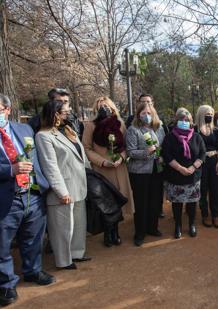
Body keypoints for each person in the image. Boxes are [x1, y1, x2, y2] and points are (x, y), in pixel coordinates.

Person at [0, 95, 55, 306]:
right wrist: (10, 170)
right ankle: (6, 285)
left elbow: (36, 158)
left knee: (33, 237)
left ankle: (33, 271)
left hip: (32, 194)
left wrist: (42, 184)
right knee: (3, 244)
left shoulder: (24, 130)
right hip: (7, 198)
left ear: (7, 109)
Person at [36, 100, 91, 269]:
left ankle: (76, 253)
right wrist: (61, 191)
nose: (68, 115)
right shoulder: (43, 136)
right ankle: (63, 260)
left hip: (78, 186)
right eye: (65, 112)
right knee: (62, 228)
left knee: (78, 225)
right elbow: (50, 166)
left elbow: (80, 155)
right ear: (55, 114)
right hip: (63, 189)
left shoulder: (66, 131)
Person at [82, 96, 133, 247]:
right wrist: (102, 161)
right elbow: (86, 148)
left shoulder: (120, 124)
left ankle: (115, 232)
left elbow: (126, 146)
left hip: (119, 168)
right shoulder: (90, 126)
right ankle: (107, 233)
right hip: (102, 170)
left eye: (108, 107)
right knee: (105, 202)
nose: (105, 110)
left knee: (117, 201)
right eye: (101, 108)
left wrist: (121, 158)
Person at [125, 103, 165, 246]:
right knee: (141, 202)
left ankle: (152, 228)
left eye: (149, 113)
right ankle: (140, 233)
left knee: (154, 200)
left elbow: (161, 146)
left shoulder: (157, 129)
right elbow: (130, 152)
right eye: (143, 113)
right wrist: (146, 152)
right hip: (140, 171)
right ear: (138, 115)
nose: (146, 115)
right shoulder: (133, 130)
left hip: (156, 169)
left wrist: (160, 155)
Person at [162, 108, 205, 238]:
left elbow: (203, 154)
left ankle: (191, 224)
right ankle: (178, 225)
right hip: (175, 175)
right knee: (177, 203)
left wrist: (193, 167)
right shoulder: (170, 137)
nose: (184, 122)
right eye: (181, 120)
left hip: (193, 176)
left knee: (192, 203)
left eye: (187, 120)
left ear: (191, 122)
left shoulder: (197, 137)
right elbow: (167, 155)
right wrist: (181, 168)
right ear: (176, 121)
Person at [195, 105, 218, 228]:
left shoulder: (215, 130)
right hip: (201, 163)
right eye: (207, 113)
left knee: (215, 189)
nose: (210, 116)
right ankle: (205, 214)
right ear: (201, 114)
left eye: (211, 113)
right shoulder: (195, 130)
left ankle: (215, 215)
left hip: (214, 161)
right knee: (203, 189)